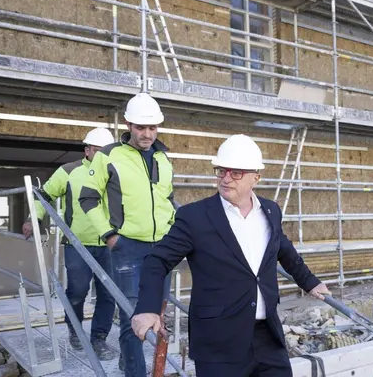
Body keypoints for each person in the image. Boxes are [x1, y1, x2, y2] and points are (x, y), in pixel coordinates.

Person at [131, 134, 331, 377]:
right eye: (221, 171)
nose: (226, 179)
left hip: (266, 335)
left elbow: (284, 249)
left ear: (256, 177)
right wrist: (148, 308)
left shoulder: (270, 210)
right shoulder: (195, 217)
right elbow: (157, 260)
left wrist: (310, 283)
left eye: (236, 173)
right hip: (218, 341)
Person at [79, 93, 174, 376]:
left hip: (162, 248)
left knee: (156, 314)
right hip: (128, 247)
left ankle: (127, 361)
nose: (147, 134)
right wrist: (110, 235)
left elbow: (167, 197)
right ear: (128, 125)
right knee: (134, 317)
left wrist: (173, 232)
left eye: (152, 128)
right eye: (140, 127)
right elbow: (88, 198)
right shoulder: (109, 155)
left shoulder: (163, 157)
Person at [22, 127, 117, 360]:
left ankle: (99, 339)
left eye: (107, 151)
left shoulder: (117, 172)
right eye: (98, 150)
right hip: (77, 244)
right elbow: (44, 195)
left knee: (108, 295)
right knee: (77, 292)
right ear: (87, 150)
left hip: (111, 244)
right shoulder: (68, 171)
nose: (103, 155)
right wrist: (32, 219)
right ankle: (75, 330)